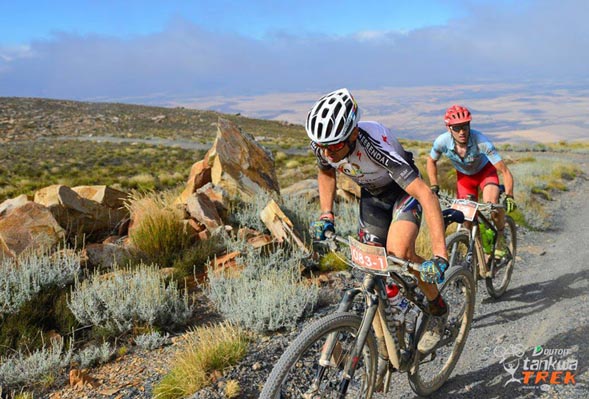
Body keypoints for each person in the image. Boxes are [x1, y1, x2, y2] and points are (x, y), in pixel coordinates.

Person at [307, 88, 449, 354]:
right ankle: (394, 314)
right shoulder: (324, 144)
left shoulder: (374, 148)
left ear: (353, 135)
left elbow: (426, 196)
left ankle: (437, 307)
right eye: (322, 146)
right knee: (372, 263)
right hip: (373, 197)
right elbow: (326, 173)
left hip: (403, 193)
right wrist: (327, 213)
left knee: (397, 253)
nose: (328, 153)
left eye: (336, 145)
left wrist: (440, 255)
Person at [426, 105, 516, 252]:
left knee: (492, 204)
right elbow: (431, 161)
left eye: (465, 126)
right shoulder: (441, 142)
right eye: (456, 128)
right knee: (466, 219)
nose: (462, 132)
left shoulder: (481, 141)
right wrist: (434, 185)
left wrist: (510, 195)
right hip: (465, 178)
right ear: (449, 128)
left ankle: (500, 237)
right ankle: (480, 249)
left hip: (486, 173)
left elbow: (505, 171)